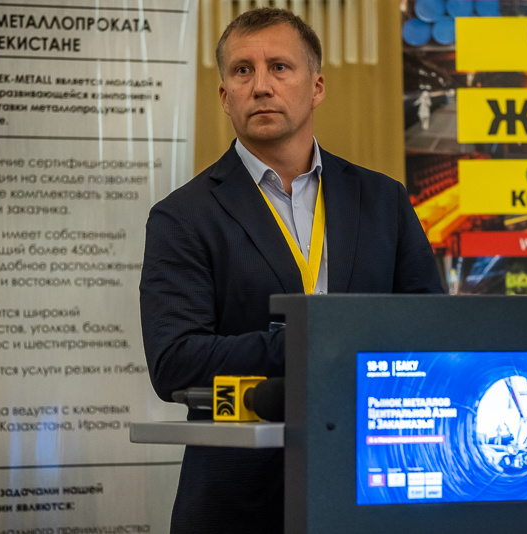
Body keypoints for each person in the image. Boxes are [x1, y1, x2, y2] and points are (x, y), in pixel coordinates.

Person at [139, 7, 443, 533]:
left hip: (374, 487)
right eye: (243, 71)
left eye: (279, 67)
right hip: (237, 505)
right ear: (224, 96)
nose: (261, 86)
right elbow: (175, 362)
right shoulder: (182, 217)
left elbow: (432, 331)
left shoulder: (383, 201)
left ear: (317, 86)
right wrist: (310, 341)